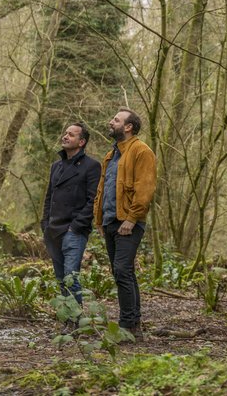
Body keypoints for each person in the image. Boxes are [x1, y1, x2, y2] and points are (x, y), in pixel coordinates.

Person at [93, 108, 156, 341]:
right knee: (122, 272)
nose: (111, 122)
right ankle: (134, 326)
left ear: (128, 127)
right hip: (111, 221)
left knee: (121, 271)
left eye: (116, 120)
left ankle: (127, 326)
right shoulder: (111, 155)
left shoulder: (141, 151)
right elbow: (103, 189)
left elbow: (145, 188)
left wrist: (131, 218)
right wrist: (99, 219)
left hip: (128, 222)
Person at [41, 122, 101, 317]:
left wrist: (75, 227)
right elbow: (49, 197)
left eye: (71, 135)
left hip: (73, 231)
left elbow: (93, 200)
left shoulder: (92, 166)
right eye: (65, 133)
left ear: (81, 142)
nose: (65, 137)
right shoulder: (55, 166)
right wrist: (45, 224)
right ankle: (67, 318)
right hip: (53, 230)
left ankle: (76, 319)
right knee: (60, 278)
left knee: (70, 276)